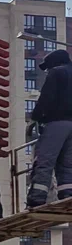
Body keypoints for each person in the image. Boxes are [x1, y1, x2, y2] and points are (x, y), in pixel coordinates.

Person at [27, 49, 72, 210]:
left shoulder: (56, 73)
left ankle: (37, 198)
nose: (46, 71)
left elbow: (46, 97)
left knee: (44, 160)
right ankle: (67, 197)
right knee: (67, 165)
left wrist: (35, 118)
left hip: (57, 123)